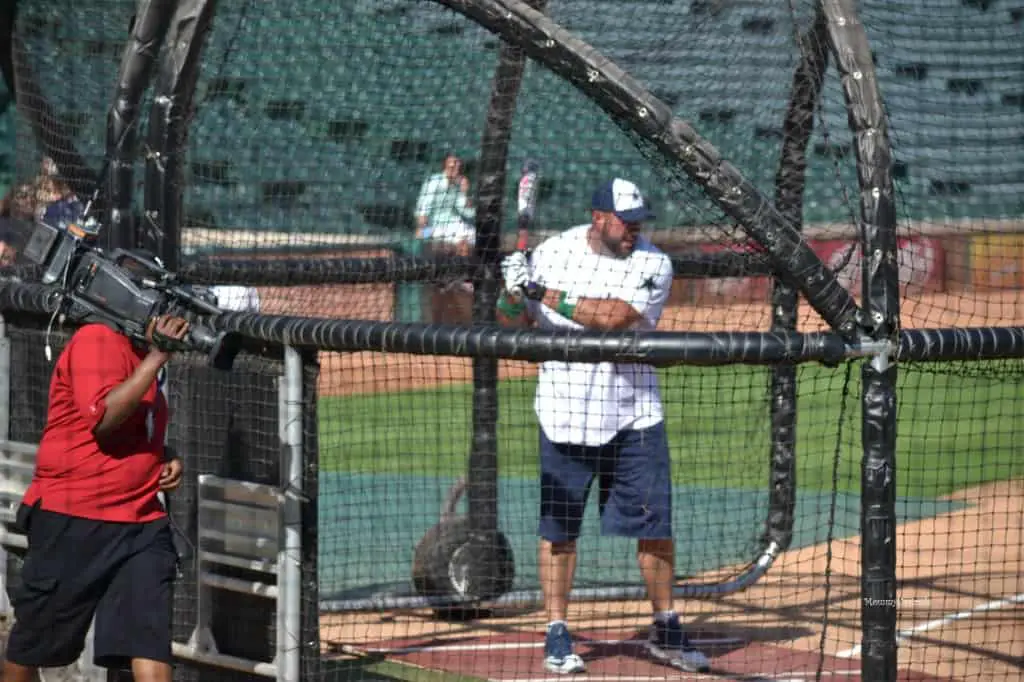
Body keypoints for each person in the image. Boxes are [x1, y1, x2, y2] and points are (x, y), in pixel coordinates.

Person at [497, 178, 711, 675]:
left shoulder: (653, 262)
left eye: (639, 222)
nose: (635, 230)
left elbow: (613, 319)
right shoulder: (552, 252)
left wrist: (537, 288)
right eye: (626, 221)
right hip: (564, 413)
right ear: (599, 217)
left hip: (634, 416)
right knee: (559, 531)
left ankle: (666, 623)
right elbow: (511, 323)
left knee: (655, 528)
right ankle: (556, 629)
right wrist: (512, 291)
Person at [2, 314, 192, 682]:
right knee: (32, 646)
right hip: (74, 518)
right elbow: (103, 418)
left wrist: (163, 454)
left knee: (148, 641)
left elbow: (136, 425)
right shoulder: (96, 339)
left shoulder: (142, 352)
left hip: (141, 523)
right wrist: (157, 357)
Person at [414, 151, 475, 257]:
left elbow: (468, 213)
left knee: (474, 236)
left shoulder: (458, 185)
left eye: (458, 166)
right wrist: (422, 230)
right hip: (433, 226)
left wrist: (466, 192)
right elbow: (423, 209)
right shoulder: (434, 182)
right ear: (445, 166)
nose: (456, 169)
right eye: (452, 166)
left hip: (453, 224)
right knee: (461, 241)